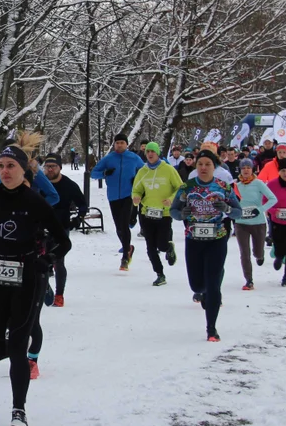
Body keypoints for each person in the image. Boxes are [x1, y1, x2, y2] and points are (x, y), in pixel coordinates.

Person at [0, 141, 70, 426]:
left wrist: (46, 260)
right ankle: (16, 353)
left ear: (24, 171)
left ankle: (19, 410)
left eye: (10, 166)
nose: (4, 171)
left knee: (19, 342)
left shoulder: (35, 201)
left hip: (28, 277)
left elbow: (64, 240)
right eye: (0, 166)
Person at [170, 150, 241, 341]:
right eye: (200, 164)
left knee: (213, 282)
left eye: (207, 164)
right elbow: (173, 211)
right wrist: (182, 214)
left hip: (217, 239)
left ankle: (211, 328)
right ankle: (205, 292)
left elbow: (238, 212)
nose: (203, 167)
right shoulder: (187, 187)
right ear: (195, 166)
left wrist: (226, 209)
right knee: (197, 284)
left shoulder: (223, 187)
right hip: (194, 240)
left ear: (214, 167)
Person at [131, 142, 183, 286]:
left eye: (152, 151)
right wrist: (136, 198)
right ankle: (160, 274)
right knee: (150, 248)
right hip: (146, 212)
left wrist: (171, 200)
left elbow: (180, 188)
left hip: (164, 213)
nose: (150, 154)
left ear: (158, 153)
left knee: (161, 245)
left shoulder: (168, 169)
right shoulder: (142, 171)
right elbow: (136, 189)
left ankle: (168, 247)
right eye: (147, 151)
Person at [91, 133, 145, 271]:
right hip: (114, 196)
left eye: (122, 142)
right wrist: (104, 174)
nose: (119, 145)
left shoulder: (133, 158)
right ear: (114, 144)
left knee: (124, 224)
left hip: (129, 195)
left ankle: (125, 257)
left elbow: (145, 171)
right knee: (119, 227)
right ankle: (128, 247)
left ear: (127, 144)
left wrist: (137, 180)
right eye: (117, 143)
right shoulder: (109, 159)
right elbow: (93, 173)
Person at [43, 153, 87, 306]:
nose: (50, 169)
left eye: (53, 166)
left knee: (58, 262)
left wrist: (78, 219)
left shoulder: (69, 185)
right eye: (47, 166)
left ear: (60, 168)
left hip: (61, 228)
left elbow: (82, 204)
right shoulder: (40, 184)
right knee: (39, 261)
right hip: (41, 228)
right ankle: (44, 288)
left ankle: (59, 295)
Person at [232, 158, 277, 290]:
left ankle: (260, 255)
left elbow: (273, 198)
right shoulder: (236, 186)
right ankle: (249, 280)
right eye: (243, 168)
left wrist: (260, 210)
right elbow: (231, 202)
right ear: (240, 170)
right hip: (241, 223)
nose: (246, 170)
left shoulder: (259, 184)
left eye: (248, 168)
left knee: (257, 252)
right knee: (244, 253)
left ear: (252, 170)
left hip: (258, 223)